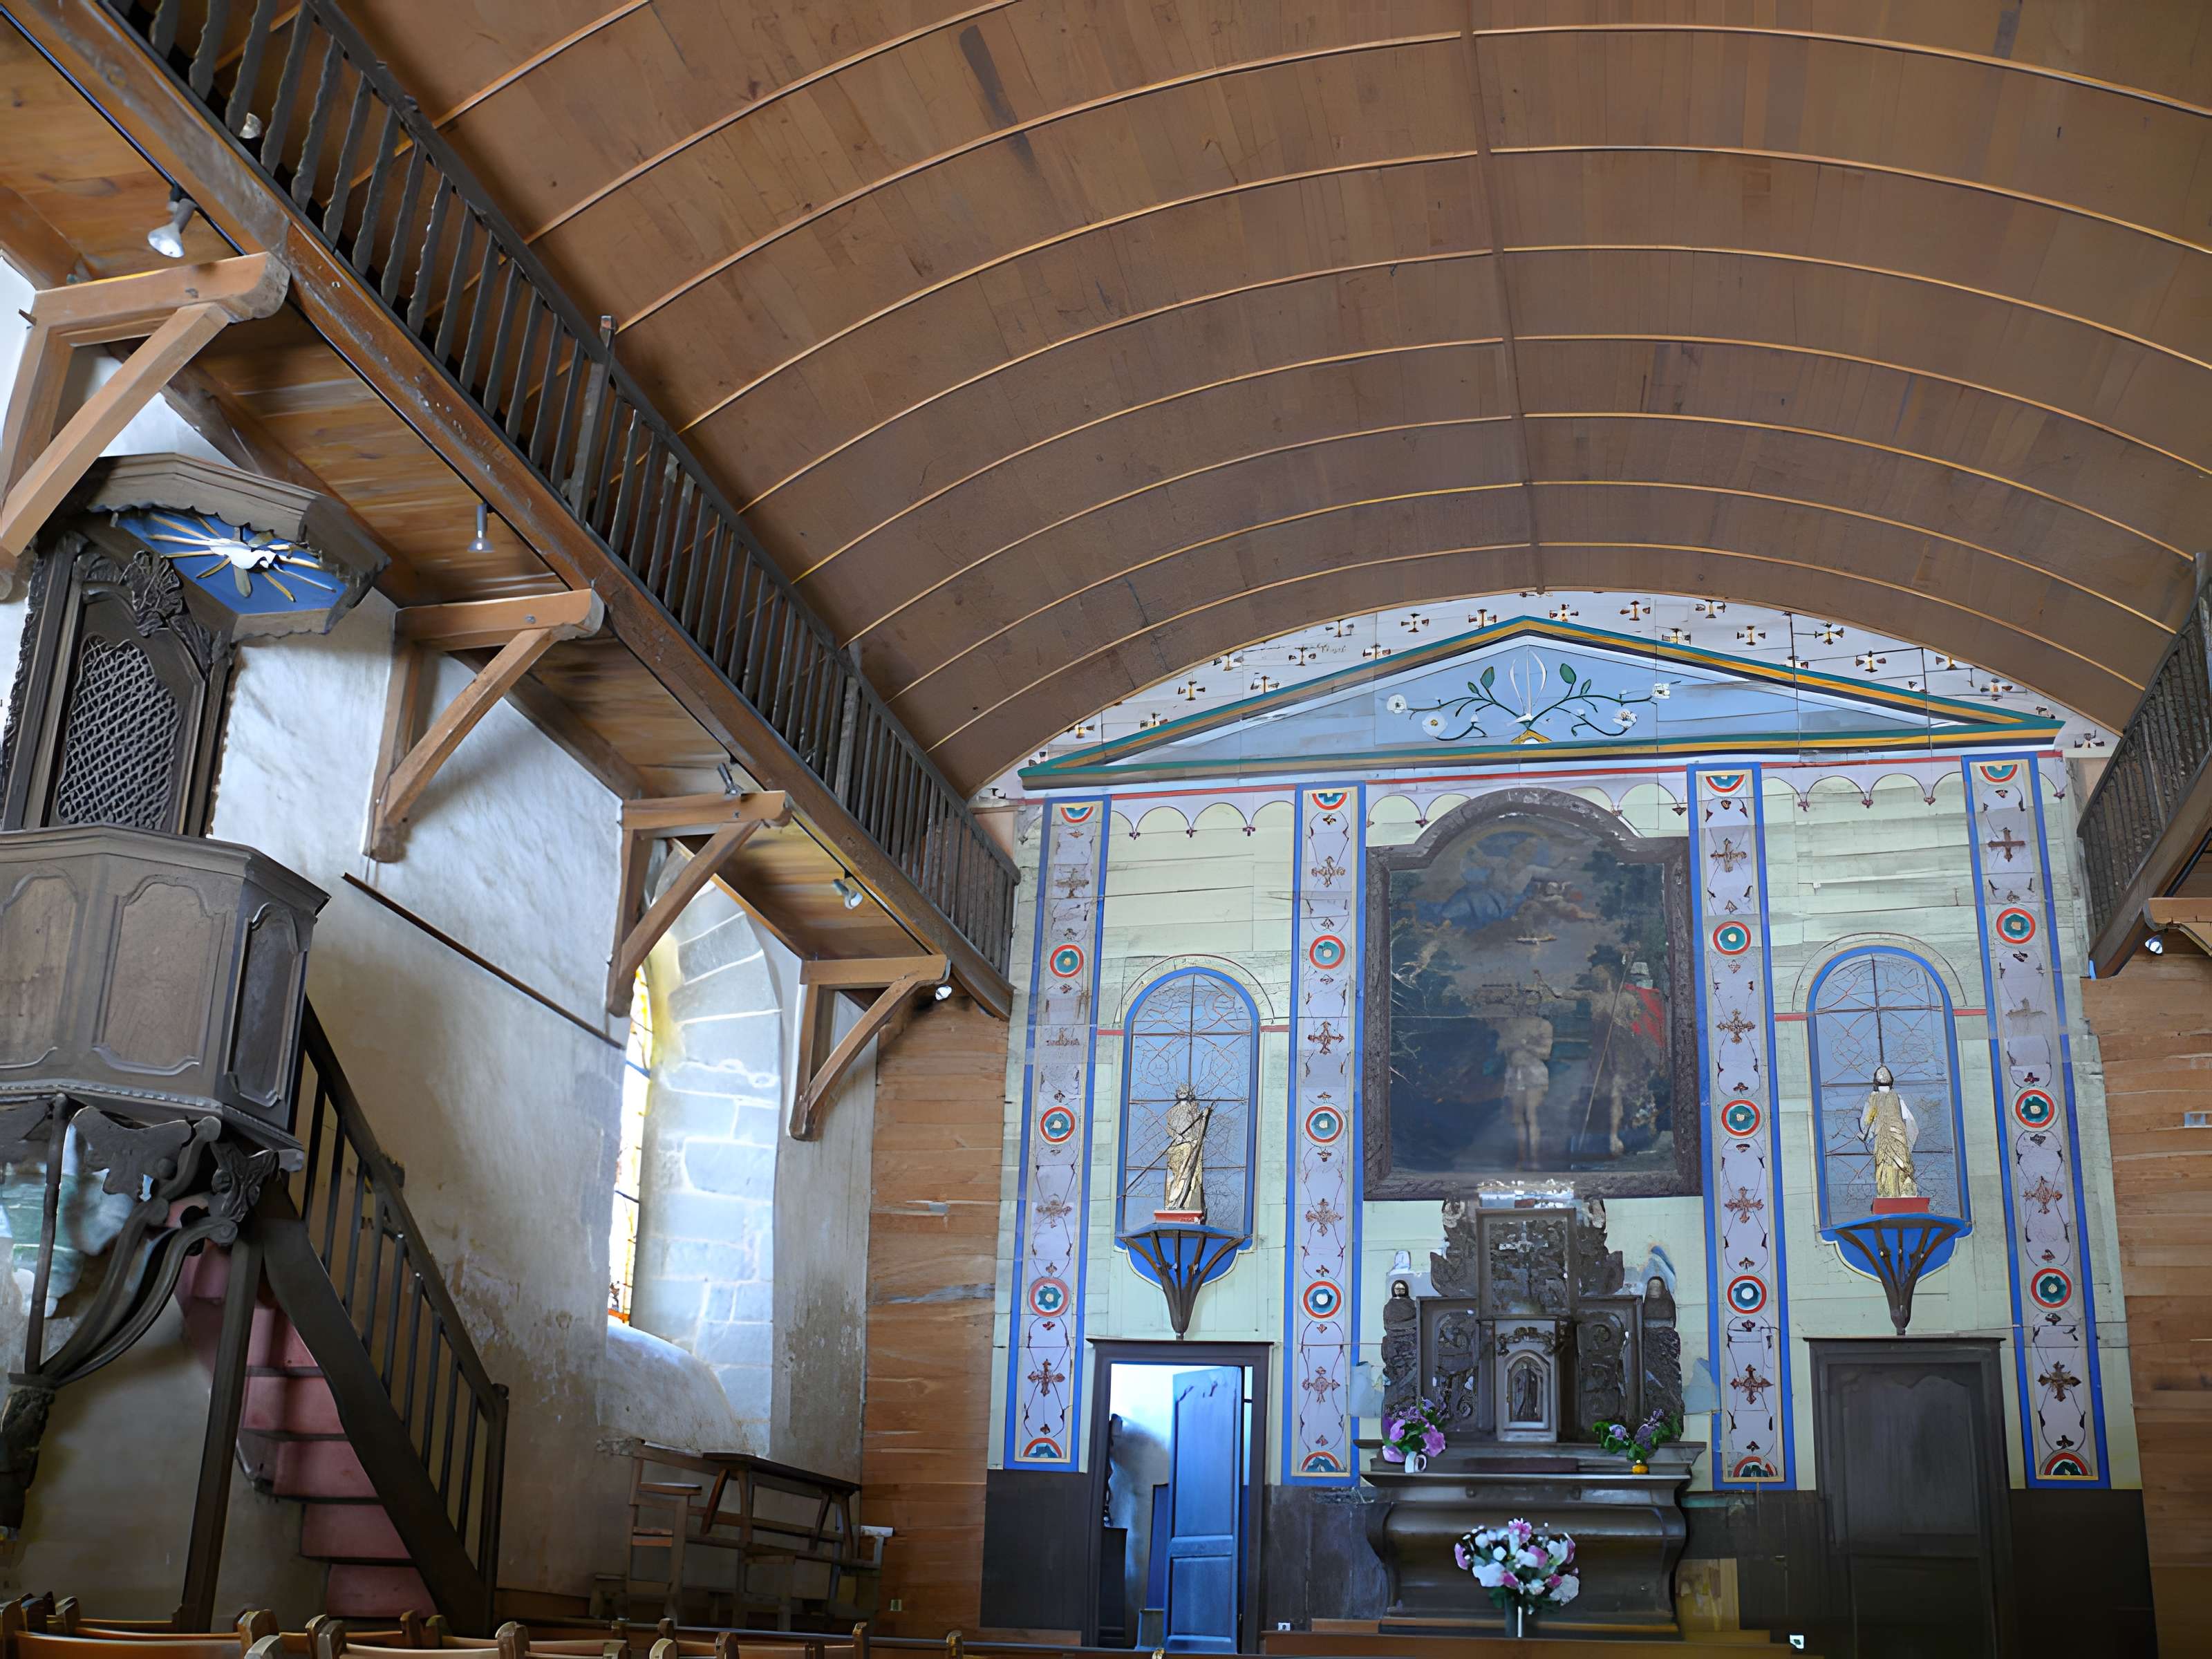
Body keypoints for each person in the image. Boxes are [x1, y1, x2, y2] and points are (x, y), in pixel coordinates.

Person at [1858, 1065, 1919, 1199]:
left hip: (1886, 1138)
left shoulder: (1874, 1097)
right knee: (1900, 1164)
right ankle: (1902, 1193)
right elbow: (1910, 1122)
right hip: (1897, 1137)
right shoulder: (1896, 1097)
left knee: (1886, 1165)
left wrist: (1865, 1134)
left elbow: (1868, 1119)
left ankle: (1892, 1194)